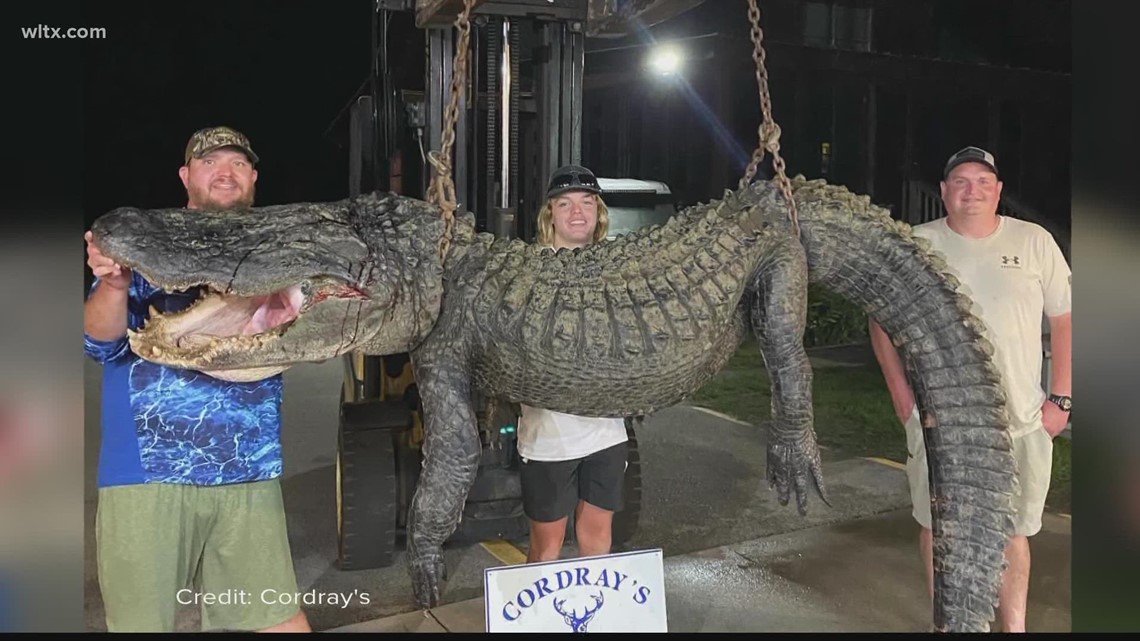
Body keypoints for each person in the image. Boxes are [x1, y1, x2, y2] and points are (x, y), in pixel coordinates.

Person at [83, 126, 311, 633]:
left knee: (279, 622)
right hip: (150, 475)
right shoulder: (149, 244)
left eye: (236, 163)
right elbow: (100, 345)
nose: (224, 172)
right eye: (210, 163)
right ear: (186, 176)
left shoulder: (278, 251)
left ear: (253, 176)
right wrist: (114, 285)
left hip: (249, 469)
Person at [868, 146, 1072, 632]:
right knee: (939, 528)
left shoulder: (1034, 241)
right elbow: (880, 319)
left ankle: (1013, 626)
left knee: (1013, 531)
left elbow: (1064, 320)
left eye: (983, 181)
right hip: (940, 423)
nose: (972, 190)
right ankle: (949, 623)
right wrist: (902, 394)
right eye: (961, 181)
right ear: (944, 192)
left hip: (1018, 421)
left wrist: (1061, 398)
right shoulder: (918, 245)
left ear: (999, 191)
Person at [517, 165, 629, 563]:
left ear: (599, 212)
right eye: (565, 203)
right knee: (546, 546)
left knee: (598, 538)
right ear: (551, 214)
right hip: (550, 434)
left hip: (606, 433)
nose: (577, 212)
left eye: (587, 202)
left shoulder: (616, 270)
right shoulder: (528, 272)